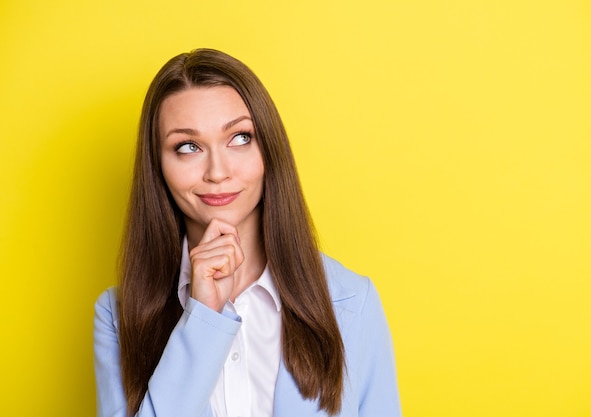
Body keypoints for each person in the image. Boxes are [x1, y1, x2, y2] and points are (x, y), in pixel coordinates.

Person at [94, 48, 401, 417]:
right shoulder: (118, 317)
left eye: (239, 138)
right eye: (188, 147)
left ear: (268, 149)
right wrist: (204, 315)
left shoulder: (352, 303)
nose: (218, 171)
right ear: (157, 165)